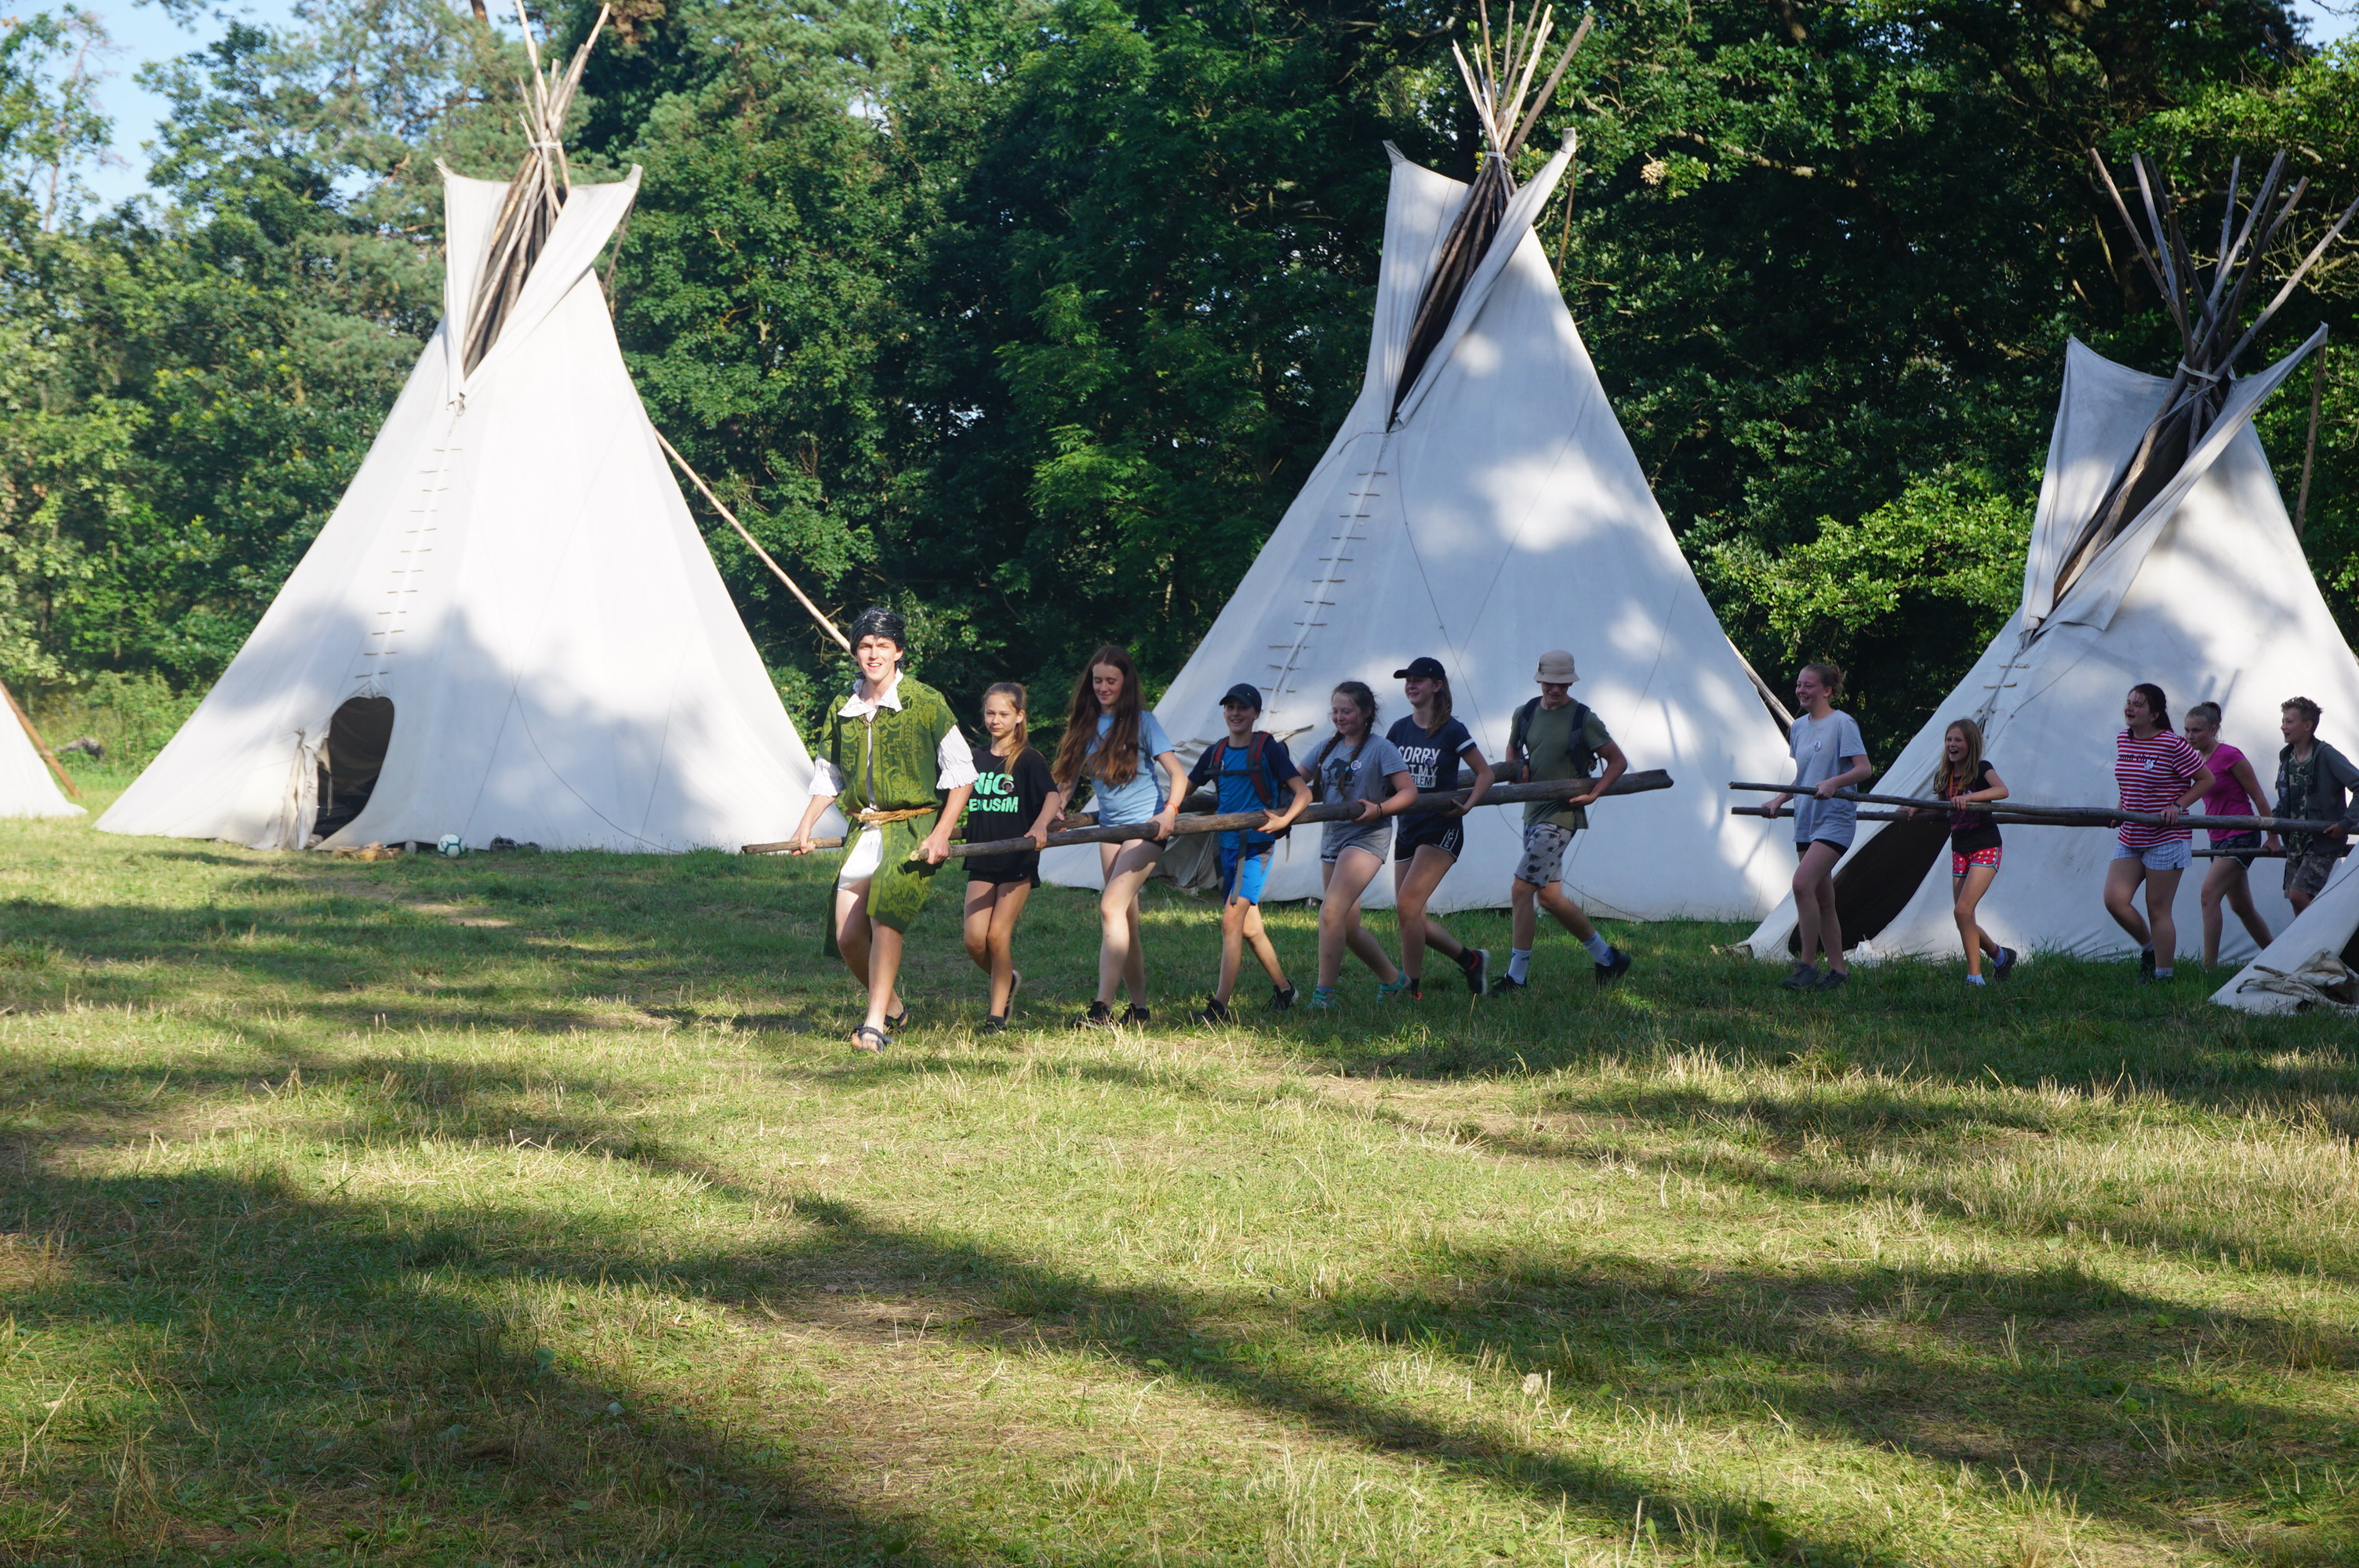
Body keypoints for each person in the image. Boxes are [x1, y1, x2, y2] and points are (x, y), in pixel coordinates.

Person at [787, 608, 976, 1052]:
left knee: (885, 918)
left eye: (883, 646)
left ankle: (873, 1027)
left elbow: (962, 773)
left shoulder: (925, 701)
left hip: (913, 826)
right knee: (848, 936)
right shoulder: (844, 706)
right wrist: (805, 825)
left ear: (898, 652)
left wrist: (941, 833)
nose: (873, 654)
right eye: (866, 646)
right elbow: (830, 775)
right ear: (856, 652)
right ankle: (892, 1006)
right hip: (865, 827)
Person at [1049, 646, 1190, 1029]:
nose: (1103, 687)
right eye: (1098, 680)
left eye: (1111, 681)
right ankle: (1139, 1009)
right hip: (1110, 830)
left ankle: (1102, 1009)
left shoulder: (1143, 722)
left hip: (1145, 828)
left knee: (1110, 907)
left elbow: (1179, 775)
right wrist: (1056, 811)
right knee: (1125, 918)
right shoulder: (1086, 723)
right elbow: (1066, 782)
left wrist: (1170, 811)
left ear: (1125, 683)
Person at [1495, 650, 1634, 993]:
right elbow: (1513, 749)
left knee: (1520, 889)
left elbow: (1617, 761)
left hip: (1561, 817)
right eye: (1550, 683)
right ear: (1540, 680)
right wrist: (1516, 773)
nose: (1556, 689)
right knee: (1550, 898)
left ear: (1571, 683)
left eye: (1564, 684)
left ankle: (1516, 978)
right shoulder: (1525, 712)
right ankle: (1609, 959)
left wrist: (1595, 793)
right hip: (1532, 813)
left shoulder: (1584, 718)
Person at [1184, 684, 1311, 1022]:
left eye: (1243, 708)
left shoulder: (1267, 748)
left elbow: (1303, 793)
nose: (1236, 713)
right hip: (1224, 847)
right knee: (1250, 928)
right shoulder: (1215, 752)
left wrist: (1284, 819)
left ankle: (1219, 1008)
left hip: (1254, 847)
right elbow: (1185, 790)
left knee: (1231, 920)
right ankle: (1285, 990)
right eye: (1230, 707)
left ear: (1256, 714)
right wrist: (1164, 810)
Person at [1755, 662, 1870, 993]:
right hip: (1806, 819)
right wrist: (1779, 800)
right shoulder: (1798, 728)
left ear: (1827, 691)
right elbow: (1804, 777)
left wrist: (1835, 782)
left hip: (1835, 819)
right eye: (1799, 685)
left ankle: (1806, 965)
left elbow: (1864, 769)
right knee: (1823, 899)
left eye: (1808, 686)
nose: (1801, 691)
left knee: (1801, 884)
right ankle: (1839, 971)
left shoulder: (1842, 724)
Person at [1385, 657, 1494, 999]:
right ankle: (1471, 960)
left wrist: (1469, 803)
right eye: (1408, 680)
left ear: (1437, 686)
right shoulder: (1398, 730)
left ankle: (1411, 988)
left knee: (1407, 907)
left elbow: (1485, 773)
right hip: (1408, 827)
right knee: (1409, 914)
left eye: (1418, 680)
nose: (1411, 685)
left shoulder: (1452, 730)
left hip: (1441, 827)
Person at [1306, 681, 1417, 1010]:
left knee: (1331, 912)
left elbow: (1408, 792)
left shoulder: (1382, 749)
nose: (1339, 717)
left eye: (1347, 711)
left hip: (1367, 837)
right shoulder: (1325, 747)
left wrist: (1380, 809)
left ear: (1367, 712)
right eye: (1335, 711)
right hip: (1333, 838)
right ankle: (1393, 979)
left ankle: (1323, 996)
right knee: (1347, 925)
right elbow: (1295, 779)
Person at [961, 683, 1060, 1033]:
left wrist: (1041, 824)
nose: (995, 720)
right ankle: (1008, 979)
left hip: (1017, 859)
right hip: (981, 858)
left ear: (1019, 716)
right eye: (990, 713)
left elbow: (1052, 796)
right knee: (974, 939)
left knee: (997, 937)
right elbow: (953, 796)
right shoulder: (974, 759)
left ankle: (996, 1016)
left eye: (1004, 714)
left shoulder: (1029, 759)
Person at [2103, 683, 2212, 982]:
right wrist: (2120, 809)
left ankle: (2163, 976)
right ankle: (2150, 950)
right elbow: (2130, 781)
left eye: (2138, 705)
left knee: (2158, 908)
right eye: (2129, 702)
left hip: (2166, 837)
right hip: (2131, 833)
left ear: (2154, 714)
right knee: (2114, 900)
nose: (2130, 708)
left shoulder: (2172, 744)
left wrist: (2178, 805)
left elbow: (2206, 779)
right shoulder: (2124, 739)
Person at [1906, 718, 2016, 985]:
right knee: (1963, 915)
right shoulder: (1944, 776)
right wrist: (1917, 807)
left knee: (1962, 911)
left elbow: (2002, 790)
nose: (1952, 745)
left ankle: (1974, 977)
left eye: (1958, 740)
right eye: (1949, 740)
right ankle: (2001, 956)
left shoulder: (1981, 769)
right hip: (1960, 847)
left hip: (1985, 845)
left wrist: (1969, 797)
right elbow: (1943, 807)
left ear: (1971, 744)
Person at [2183, 701, 2273, 967]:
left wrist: (2273, 837)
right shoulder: (2195, 760)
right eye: (2187, 730)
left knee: (2208, 895)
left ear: (2213, 730)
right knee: (2241, 907)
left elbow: (2259, 797)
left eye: (2196, 730)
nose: (2190, 736)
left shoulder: (2230, 755)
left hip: (2241, 833)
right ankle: (2277, 955)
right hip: (2218, 837)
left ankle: (2208, 967)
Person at [2264, 696, 2359, 916]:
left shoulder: (2326, 755)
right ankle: (2310, 939)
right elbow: (2287, 797)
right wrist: (2276, 820)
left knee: (2299, 894)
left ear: (2307, 725)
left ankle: (2331, 932)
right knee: (2296, 901)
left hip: (2322, 842)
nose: (2283, 727)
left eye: (2289, 722)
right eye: (2283, 721)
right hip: (2295, 842)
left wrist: (2345, 824)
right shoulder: (2287, 757)